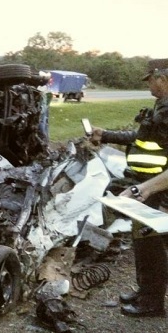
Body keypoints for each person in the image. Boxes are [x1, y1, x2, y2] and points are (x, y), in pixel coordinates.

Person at [90, 58, 168, 318]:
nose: (149, 86)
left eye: (151, 80)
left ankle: (152, 303)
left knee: (152, 244)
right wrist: (107, 135)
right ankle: (146, 291)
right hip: (149, 186)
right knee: (144, 242)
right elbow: (142, 139)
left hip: (159, 190)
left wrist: (146, 188)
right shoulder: (162, 107)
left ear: (163, 78)